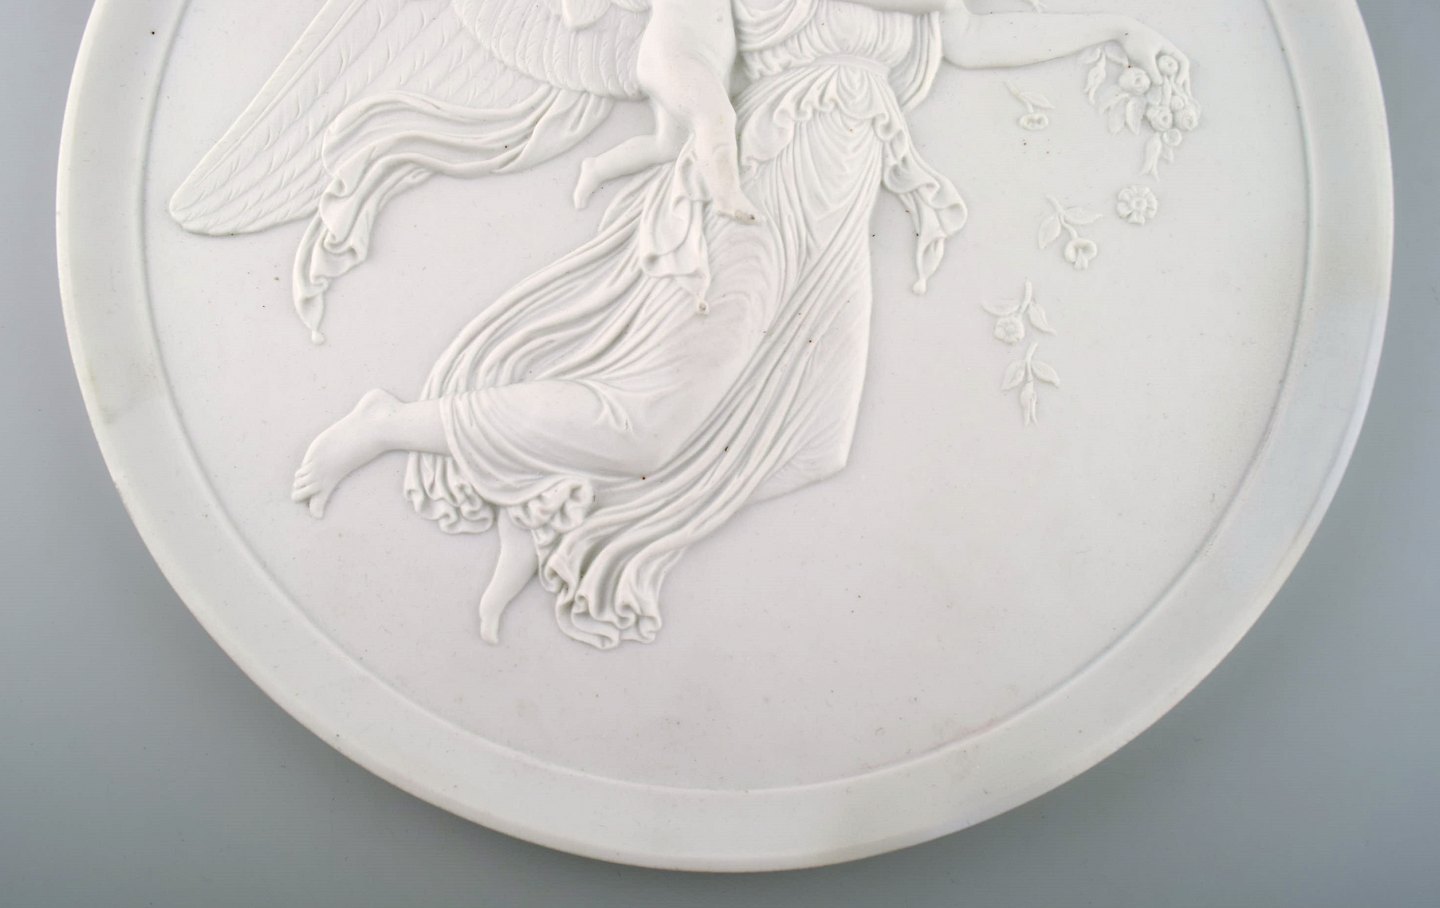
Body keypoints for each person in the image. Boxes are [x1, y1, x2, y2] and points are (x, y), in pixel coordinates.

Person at [292, 0, 1188, 648]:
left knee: (813, 445)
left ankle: (557, 499)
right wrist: (704, 126)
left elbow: (975, 35)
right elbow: (675, 55)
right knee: (650, 422)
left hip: (837, 215)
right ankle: (390, 425)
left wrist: (1115, 26)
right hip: (760, 190)